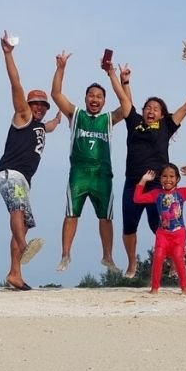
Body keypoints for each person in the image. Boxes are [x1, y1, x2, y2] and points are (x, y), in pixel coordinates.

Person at [119, 64, 186, 278]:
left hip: (158, 185)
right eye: (147, 107)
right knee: (129, 225)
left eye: (155, 108)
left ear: (161, 114)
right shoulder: (134, 123)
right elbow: (126, 102)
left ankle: (171, 260)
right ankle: (132, 263)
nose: (151, 111)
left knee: (159, 223)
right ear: (142, 111)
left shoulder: (167, 125)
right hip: (133, 182)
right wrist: (124, 81)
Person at [50, 50, 132, 272]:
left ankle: (108, 256)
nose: (95, 99)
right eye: (91, 95)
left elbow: (126, 108)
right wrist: (61, 68)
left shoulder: (107, 119)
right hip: (79, 173)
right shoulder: (76, 115)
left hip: (102, 175)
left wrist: (113, 75)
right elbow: (56, 94)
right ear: (85, 98)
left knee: (105, 217)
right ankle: (65, 254)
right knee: (71, 213)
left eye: (99, 96)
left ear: (104, 100)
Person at [0, 31, 62, 290]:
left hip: (22, 179)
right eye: (37, 104)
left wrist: (56, 120)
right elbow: (16, 84)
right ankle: (23, 246)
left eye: (43, 106)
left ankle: (14, 273)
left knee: (24, 222)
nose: (40, 108)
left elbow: (50, 127)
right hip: (10, 173)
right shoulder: (22, 115)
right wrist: (8, 55)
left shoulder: (40, 125)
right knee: (17, 212)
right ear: (28, 104)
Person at [133, 164, 186, 294]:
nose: (168, 179)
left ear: (177, 179)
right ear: (160, 179)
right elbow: (137, 198)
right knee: (158, 255)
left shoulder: (181, 193)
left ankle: (185, 288)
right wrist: (143, 180)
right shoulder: (156, 194)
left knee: (178, 256)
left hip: (179, 234)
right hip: (162, 234)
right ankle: (154, 288)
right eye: (165, 176)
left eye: (172, 176)